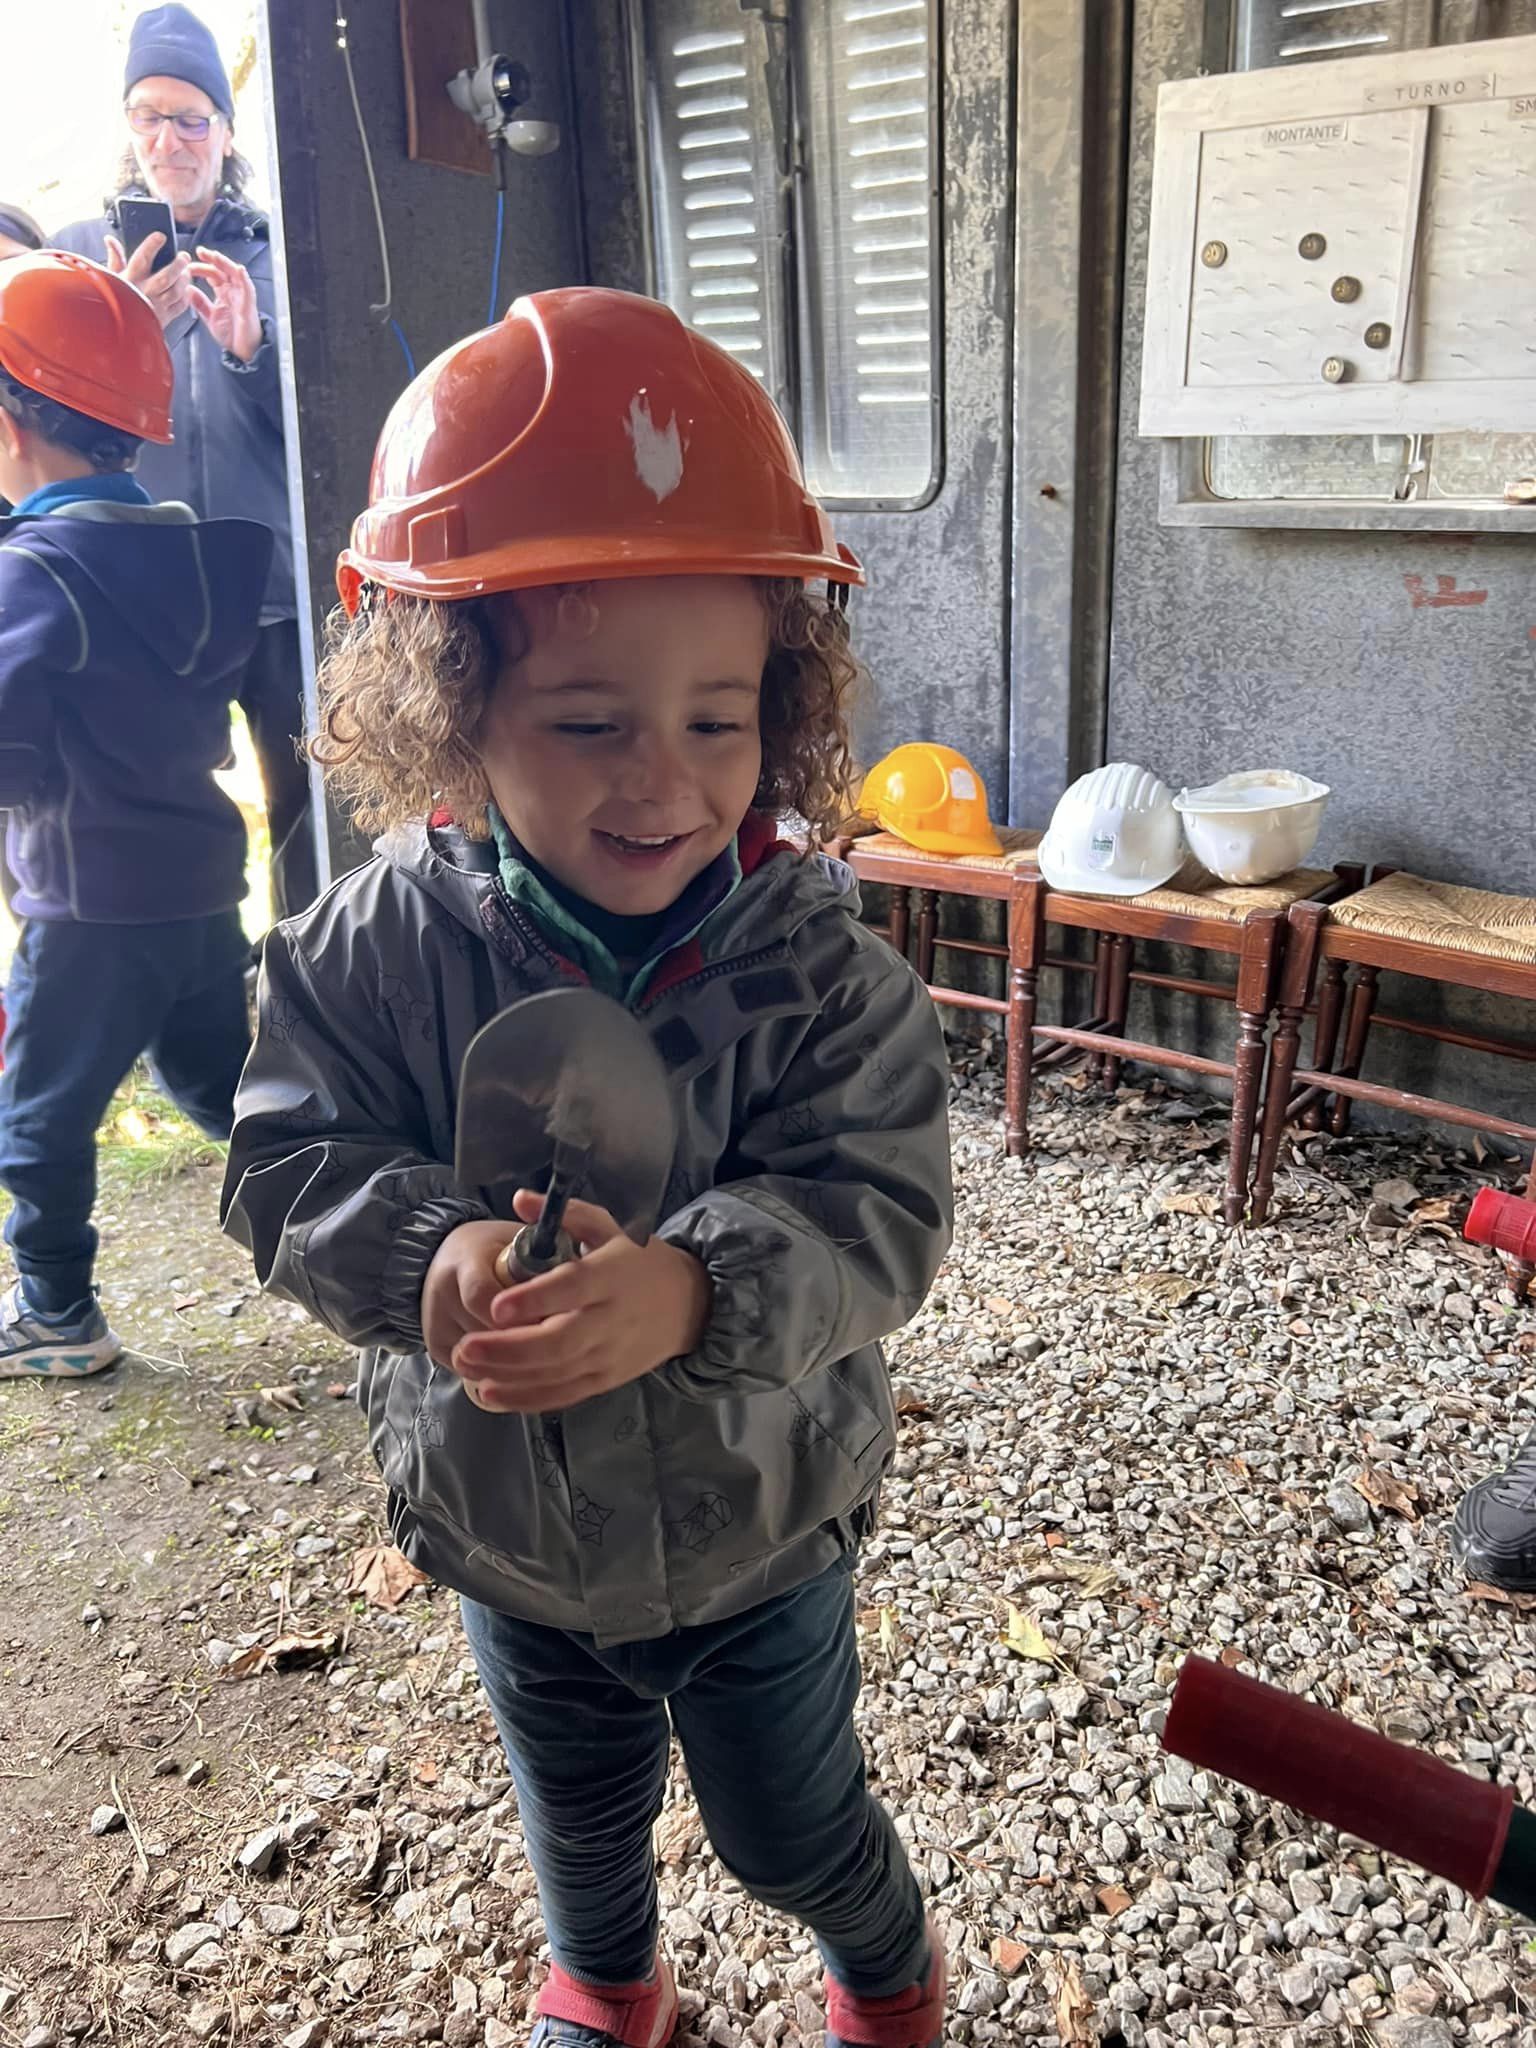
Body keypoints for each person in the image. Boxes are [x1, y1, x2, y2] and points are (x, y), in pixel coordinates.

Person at [222, 289, 955, 2048]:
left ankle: (884, 1957)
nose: (663, 781)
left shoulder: (824, 974)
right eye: (585, 722)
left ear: (781, 705)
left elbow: (880, 1209)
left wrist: (701, 1284)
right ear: (451, 710)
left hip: (758, 1523)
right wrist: (427, 1249)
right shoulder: (365, 954)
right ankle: (609, 1980)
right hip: (509, 1525)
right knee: (577, 1808)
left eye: (717, 718)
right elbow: (283, 1162)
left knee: (789, 1824)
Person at [0, 251, 270, 1376]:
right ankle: (360, 1230)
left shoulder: (34, 574)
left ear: (9, 426)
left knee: (37, 1117)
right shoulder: (189, 555)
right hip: (198, 886)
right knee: (226, 1090)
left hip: (87, 905)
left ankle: (58, 1314)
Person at [52, 3, 317, 926]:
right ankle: (195, 980)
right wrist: (120, 330)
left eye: (191, 119)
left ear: (227, 131)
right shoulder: (79, 260)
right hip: (144, 594)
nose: (167, 141)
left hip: (273, 589)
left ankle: (308, 972)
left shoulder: (284, 254)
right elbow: (51, 432)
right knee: (159, 813)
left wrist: (253, 350)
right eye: (148, 116)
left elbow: (322, 428)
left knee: (305, 800)